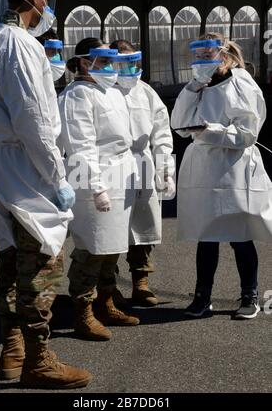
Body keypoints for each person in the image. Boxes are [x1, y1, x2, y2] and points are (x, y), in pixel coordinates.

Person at [0, 0, 91, 388]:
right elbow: (36, 121)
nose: (48, 8)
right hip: (24, 163)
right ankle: (38, 357)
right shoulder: (21, 44)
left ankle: (12, 347)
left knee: (10, 256)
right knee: (43, 258)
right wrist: (57, 176)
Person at [171, 32, 272, 319]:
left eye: (208, 55)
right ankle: (203, 296)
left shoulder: (240, 83)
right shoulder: (198, 85)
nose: (202, 61)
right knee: (207, 235)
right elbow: (178, 124)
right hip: (204, 167)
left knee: (240, 234)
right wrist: (193, 87)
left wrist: (210, 131)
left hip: (234, 167)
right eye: (198, 56)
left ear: (224, 56)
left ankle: (249, 296)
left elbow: (247, 134)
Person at [58, 38, 140, 341]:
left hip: (120, 177)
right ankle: (83, 311)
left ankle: (106, 302)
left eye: (109, 61)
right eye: (102, 61)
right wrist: (96, 188)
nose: (109, 67)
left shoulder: (110, 91)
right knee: (91, 248)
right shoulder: (77, 95)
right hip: (95, 180)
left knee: (112, 247)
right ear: (83, 62)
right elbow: (81, 146)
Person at [109, 39, 175, 307]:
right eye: (121, 61)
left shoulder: (147, 92)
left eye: (131, 61)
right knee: (110, 227)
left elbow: (161, 132)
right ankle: (108, 285)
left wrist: (164, 167)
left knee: (144, 226)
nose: (128, 67)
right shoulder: (101, 91)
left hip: (143, 164)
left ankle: (141, 282)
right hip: (112, 167)